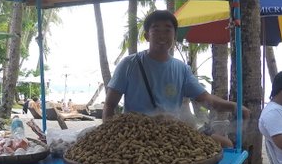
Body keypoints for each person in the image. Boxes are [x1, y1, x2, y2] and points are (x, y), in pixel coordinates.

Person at [103, 9, 248, 146]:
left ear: (174, 35)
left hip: (174, 130)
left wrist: (235, 106)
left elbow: (206, 99)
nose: (162, 35)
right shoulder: (129, 64)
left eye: (167, 30)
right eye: (156, 29)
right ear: (147, 35)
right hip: (136, 133)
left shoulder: (182, 68)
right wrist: (108, 136)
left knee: (226, 144)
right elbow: (110, 105)